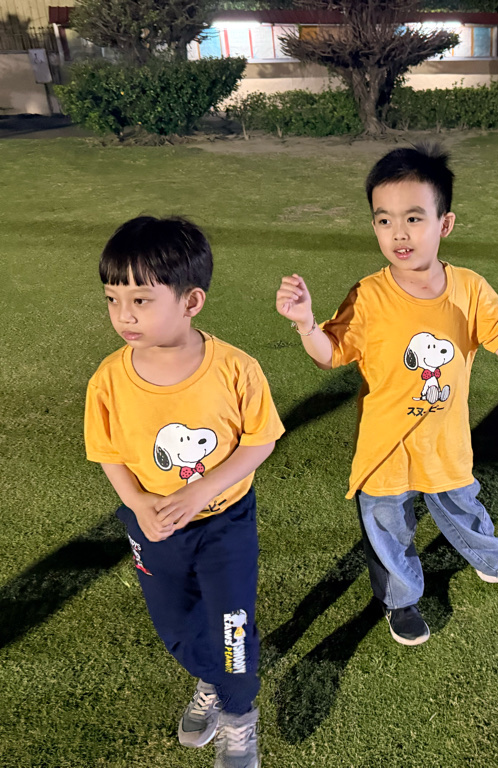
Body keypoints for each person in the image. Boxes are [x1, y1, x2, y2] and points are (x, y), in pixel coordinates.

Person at [275, 144, 498, 646]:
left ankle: (496, 562)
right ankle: (401, 600)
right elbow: (330, 354)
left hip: (444, 441)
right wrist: (305, 324)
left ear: (444, 224)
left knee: (465, 510)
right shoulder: (368, 294)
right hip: (385, 446)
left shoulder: (469, 288)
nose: (398, 233)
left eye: (413, 218)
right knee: (388, 530)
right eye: (384, 220)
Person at [84, 216, 284, 768]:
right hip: (153, 527)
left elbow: (260, 441)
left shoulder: (236, 368)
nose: (124, 314)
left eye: (141, 300)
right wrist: (138, 504)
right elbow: (107, 451)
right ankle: (210, 681)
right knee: (174, 624)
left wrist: (201, 494)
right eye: (112, 299)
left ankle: (239, 717)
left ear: (192, 300)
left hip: (224, 523)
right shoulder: (109, 378)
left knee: (232, 625)